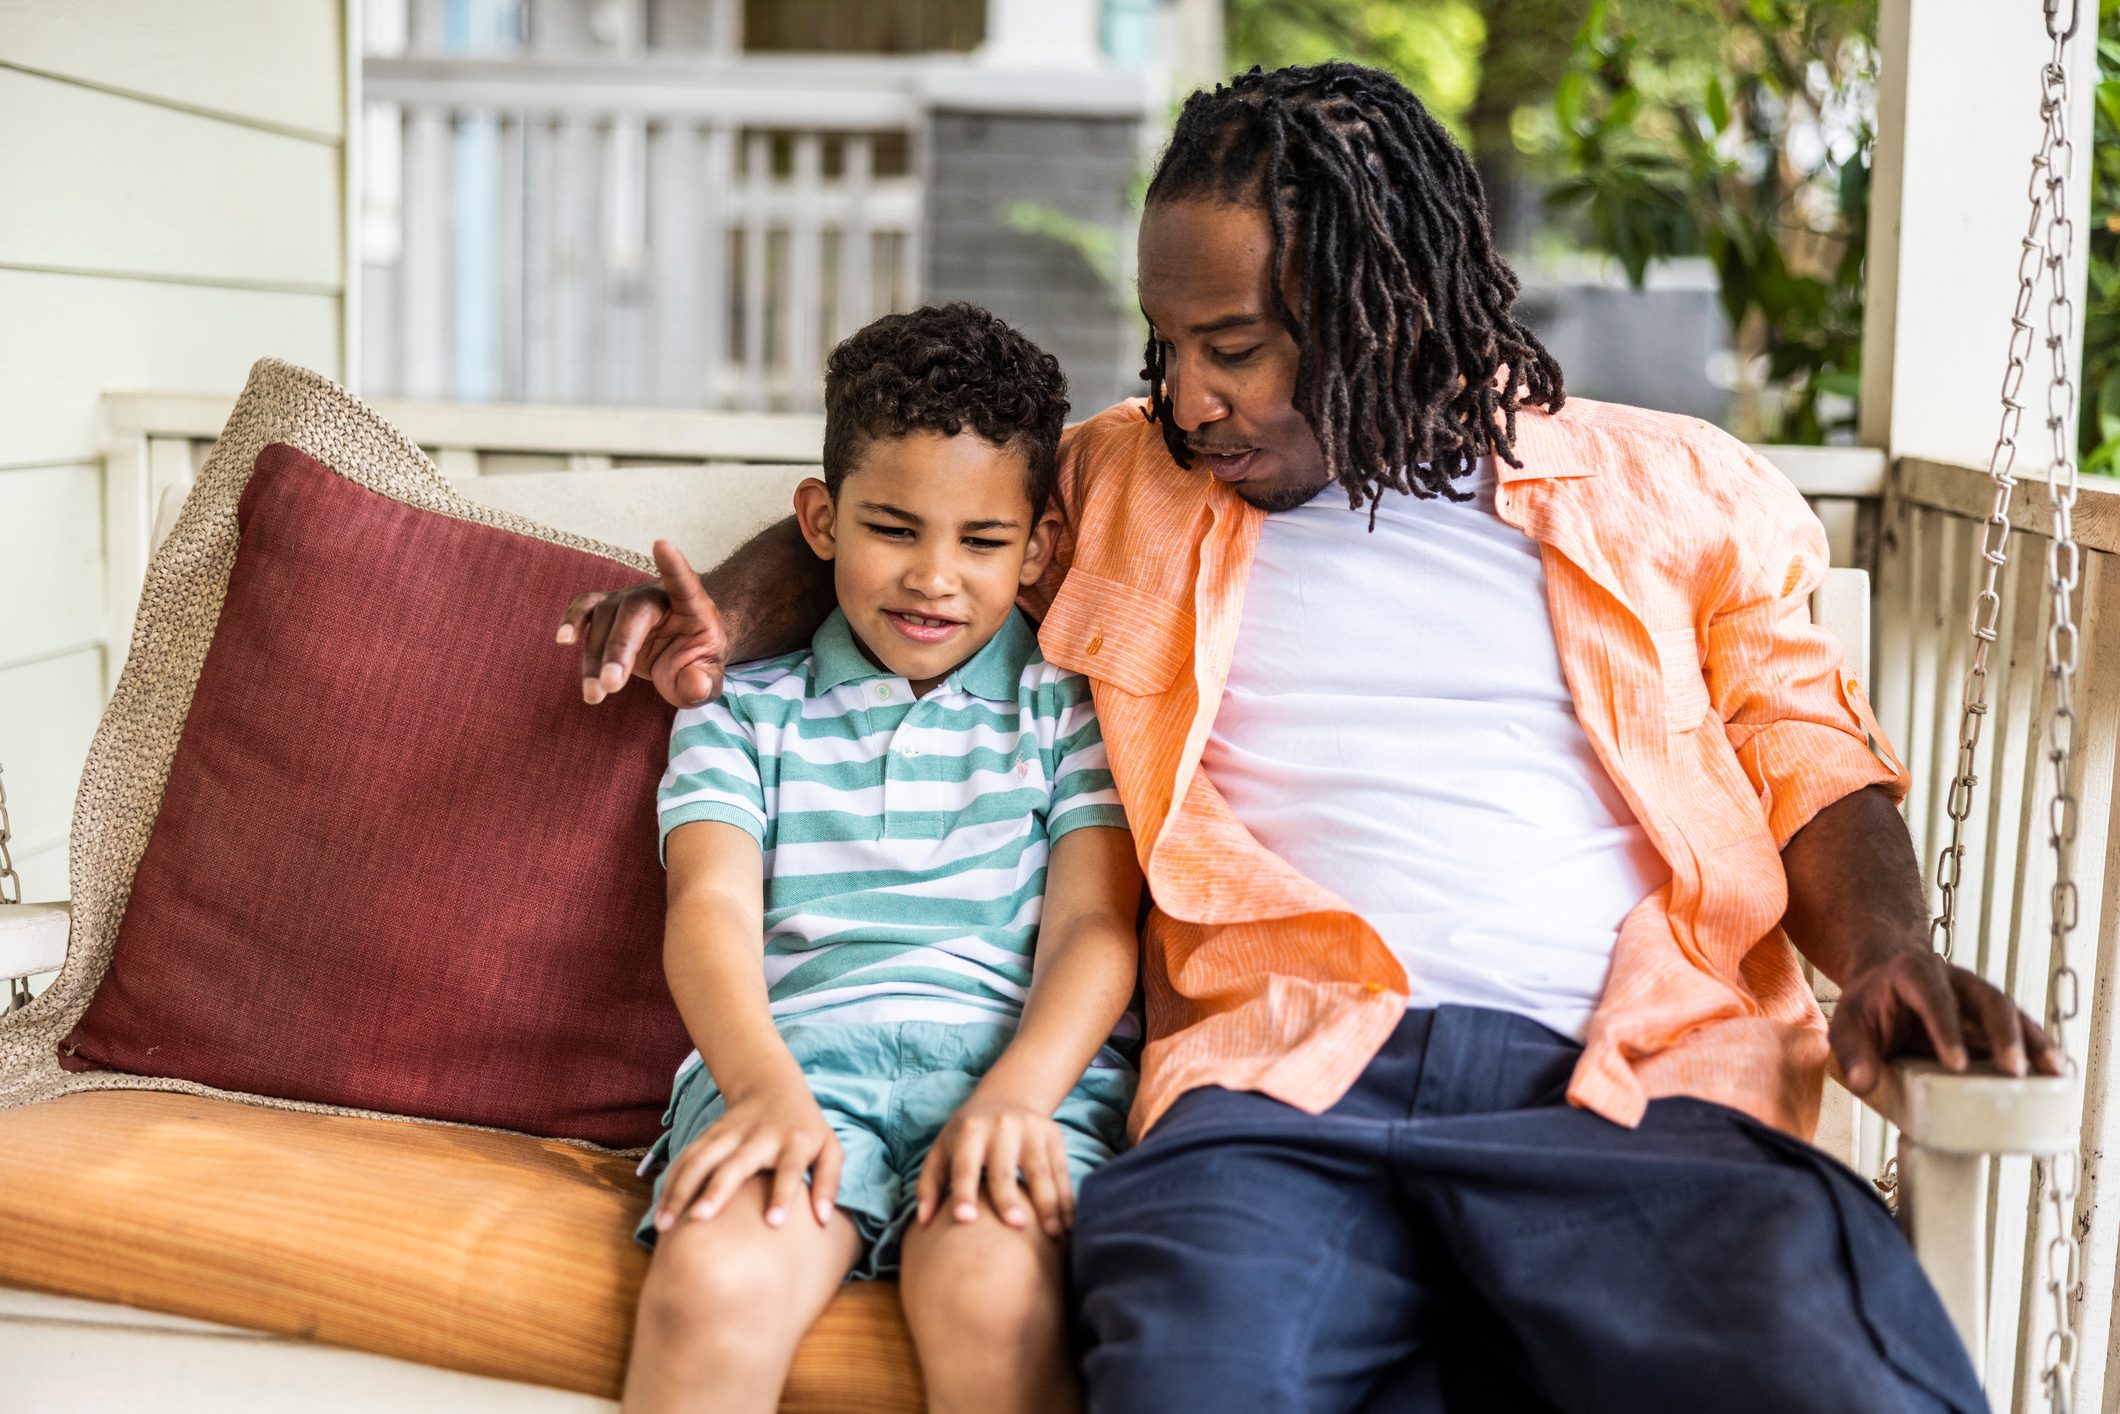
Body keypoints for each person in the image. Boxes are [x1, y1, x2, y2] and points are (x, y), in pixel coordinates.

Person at [565, 64, 2056, 1414]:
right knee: (1200, 1369)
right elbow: (915, 525)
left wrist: (1880, 956)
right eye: (1165, 346)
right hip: (1277, 1086)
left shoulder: (1670, 488)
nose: (1187, 395)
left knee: (1830, 1375)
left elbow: (1803, 740)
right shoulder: (1136, 480)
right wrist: (710, 616)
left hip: (1629, 1082)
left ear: (1387, 308)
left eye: (1236, 346)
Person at [616, 304, 1141, 1414]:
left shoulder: (1070, 709)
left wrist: (1017, 1097)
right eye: (892, 529)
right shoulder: (737, 712)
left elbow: (1094, 929)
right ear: (820, 519)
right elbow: (707, 908)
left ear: (1039, 545)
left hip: (1014, 1073)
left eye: (983, 541)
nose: (933, 579)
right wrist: (761, 1088)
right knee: (712, 1282)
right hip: (794, 1063)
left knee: (993, 1294)